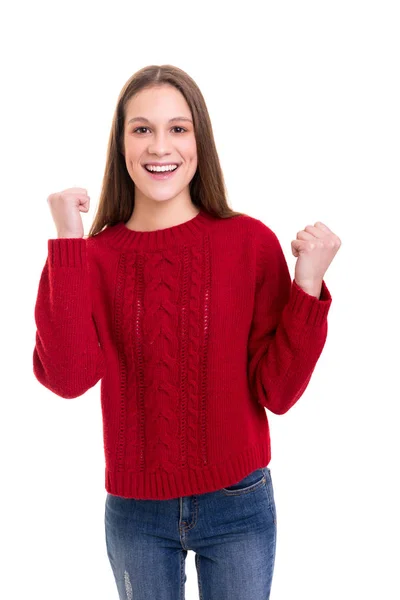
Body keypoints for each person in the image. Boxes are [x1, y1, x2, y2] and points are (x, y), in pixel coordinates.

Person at [33, 64, 340, 600]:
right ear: (121, 143)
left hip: (239, 501)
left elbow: (279, 392)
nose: (160, 146)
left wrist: (307, 286)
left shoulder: (249, 243)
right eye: (142, 128)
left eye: (178, 128)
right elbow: (68, 377)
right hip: (136, 511)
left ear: (200, 140)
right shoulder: (91, 258)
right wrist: (66, 241)